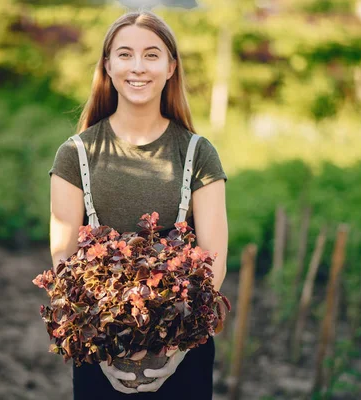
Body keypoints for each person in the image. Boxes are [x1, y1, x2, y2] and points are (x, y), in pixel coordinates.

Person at [48, 10, 228, 399]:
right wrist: (105, 352)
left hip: (183, 353)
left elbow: (215, 257)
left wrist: (173, 348)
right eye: (125, 54)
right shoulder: (75, 154)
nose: (138, 67)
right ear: (108, 66)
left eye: (152, 55)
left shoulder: (199, 153)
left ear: (170, 67)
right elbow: (63, 254)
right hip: (100, 351)